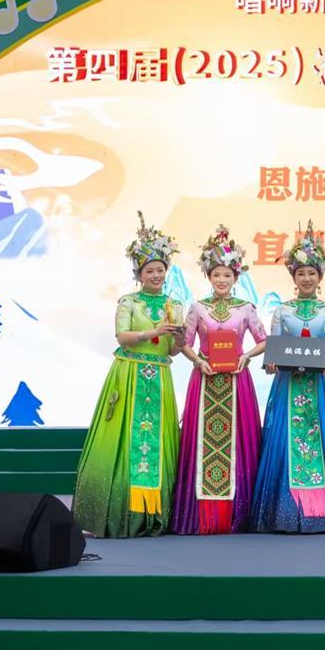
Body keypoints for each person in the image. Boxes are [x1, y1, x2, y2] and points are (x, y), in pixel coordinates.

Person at [72, 215, 183, 538]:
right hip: (130, 374)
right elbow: (123, 337)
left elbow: (173, 350)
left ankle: (154, 514)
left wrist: (180, 339)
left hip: (160, 375)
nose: (156, 275)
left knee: (157, 441)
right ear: (139, 274)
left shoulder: (174, 304)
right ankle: (120, 512)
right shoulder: (128, 302)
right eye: (149, 271)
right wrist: (154, 331)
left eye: (160, 270)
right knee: (124, 440)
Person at [250, 222, 325, 533]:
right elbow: (275, 346)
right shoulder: (282, 310)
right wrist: (272, 363)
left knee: (324, 440)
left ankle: (324, 511)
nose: (306, 278)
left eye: (311, 273)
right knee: (285, 442)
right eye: (300, 273)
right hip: (288, 386)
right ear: (293, 277)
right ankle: (286, 510)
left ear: (320, 277)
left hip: (320, 386)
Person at [171, 226, 266, 535]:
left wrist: (246, 355)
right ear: (208, 277)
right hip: (205, 381)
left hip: (237, 381)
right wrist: (198, 360)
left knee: (240, 441)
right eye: (216, 275)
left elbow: (265, 340)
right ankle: (203, 516)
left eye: (227, 275)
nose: (222, 280)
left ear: (235, 277)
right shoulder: (198, 308)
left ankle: (237, 513)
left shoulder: (246, 308)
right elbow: (185, 343)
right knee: (200, 441)